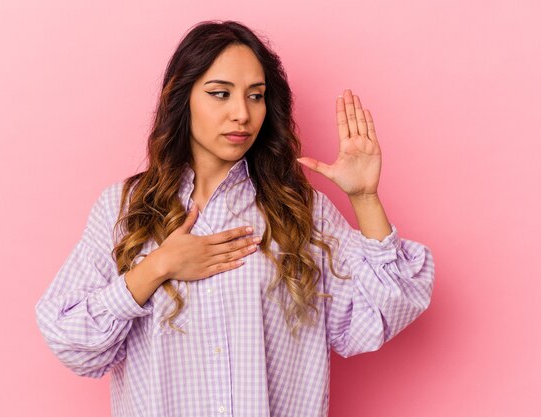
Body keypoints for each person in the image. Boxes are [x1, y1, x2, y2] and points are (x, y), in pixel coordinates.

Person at [35, 19, 435, 417]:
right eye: (220, 94)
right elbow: (71, 342)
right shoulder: (125, 208)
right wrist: (157, 267)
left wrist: (364, 198)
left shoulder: (298, 210)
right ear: (182, 98)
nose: (242, 114)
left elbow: (383, 311)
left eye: (255, 96)